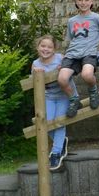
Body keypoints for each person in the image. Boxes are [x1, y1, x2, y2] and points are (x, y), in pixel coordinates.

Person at [58, 0, 99, 117]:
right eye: (80, 0)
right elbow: (71, 39)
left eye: (86, 0)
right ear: (75, 1)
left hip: (89, 53)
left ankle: (93, 91)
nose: (83, 3)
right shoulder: (71, 21)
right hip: (72, 54)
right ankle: (74, 100)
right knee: (62, 79)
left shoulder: (97, 18)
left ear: (92, 1)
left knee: (87, 75)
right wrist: (64, 57)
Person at [33, 35, 70, 170]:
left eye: (49, 47)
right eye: (43, 46)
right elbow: (34, 83)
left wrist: (64, 68)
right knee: (46, 123)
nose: (46, 49)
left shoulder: (60, 58)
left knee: (59, 122)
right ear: (38, 47)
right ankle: (61, 142)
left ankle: (55, 153)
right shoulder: (36, 64)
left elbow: (70, 72)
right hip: (48, 97)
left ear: (54, 49)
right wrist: (36, 74)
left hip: (62, 96)